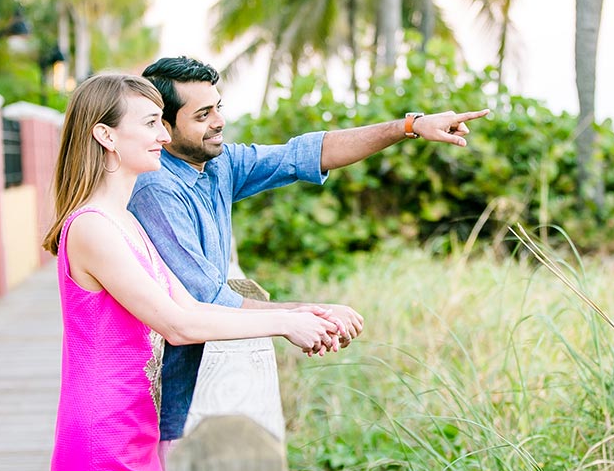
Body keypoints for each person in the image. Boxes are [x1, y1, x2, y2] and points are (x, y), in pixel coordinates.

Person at [128, 56, 490, 445]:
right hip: (153, 402)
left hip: (192, 397)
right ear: (164, 127)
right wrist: (304, 315)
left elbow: (304, 154)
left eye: (219, 107)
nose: (218, 121)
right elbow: (206, 301)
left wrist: (409, 126)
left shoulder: (216, 163)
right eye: (202, 115)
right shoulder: (157, 190)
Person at [42, 73, 343, 471]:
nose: (163, 135)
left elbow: (196, 307)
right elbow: (178, 326)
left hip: (135, 432)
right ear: (105, 135)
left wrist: (304, 312)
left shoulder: (124, 222)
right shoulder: (91, 228)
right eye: (149, 123)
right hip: (103, 444)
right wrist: (286, 324)